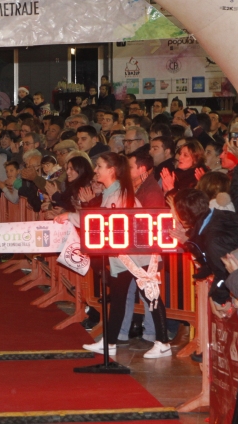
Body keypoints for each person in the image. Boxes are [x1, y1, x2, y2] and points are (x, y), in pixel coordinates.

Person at [55, 153, 172, 359]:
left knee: (151, 296)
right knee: (119, 299)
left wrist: (70, 216)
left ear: (111, 170)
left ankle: (163, 343)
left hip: (139, 257)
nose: (95, 170)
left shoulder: (119, 195)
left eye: (99, 166)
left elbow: (100, 222)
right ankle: (110, 342)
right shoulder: (113, 193)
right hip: (125, 258)